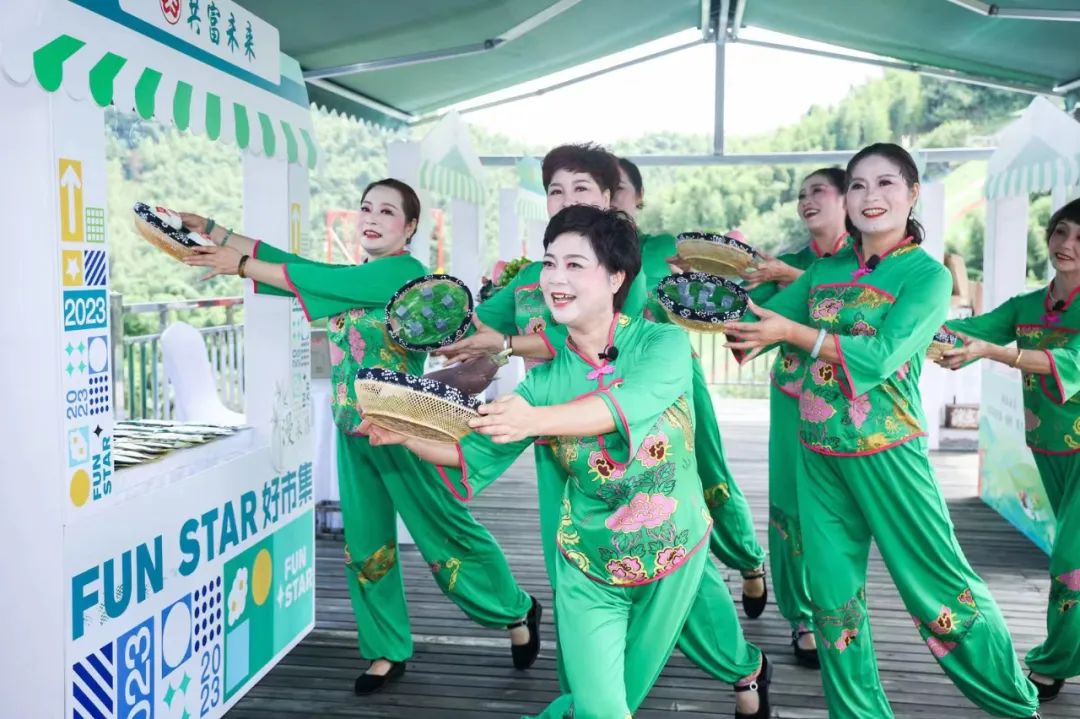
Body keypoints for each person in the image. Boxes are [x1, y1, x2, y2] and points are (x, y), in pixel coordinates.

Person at [364, 205, 771, 719]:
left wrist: (533, 420)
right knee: (602, 711)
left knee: (623, 694)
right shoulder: (542, 383)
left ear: (616, 277)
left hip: (674, 556)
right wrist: (404, 435)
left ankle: (748, 673)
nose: (555, 278)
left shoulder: (662, 344)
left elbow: (627, 403)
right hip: (589, 566)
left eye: (575, 265)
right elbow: (474, 449)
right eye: (550, 263)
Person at [177, 179, 540, 696]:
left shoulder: (403, 274)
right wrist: (213, 231)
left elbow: (303, 275)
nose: (371, 217)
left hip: (403, 430)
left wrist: (238, 264)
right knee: (366, 546)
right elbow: (297, 269)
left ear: (410, 227)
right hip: (355, 428)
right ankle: (386, 650)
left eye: (387, 212)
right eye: (366, 208)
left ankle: (514, 609)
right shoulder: (354, 278)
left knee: (445, 536)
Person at [723, 143, 1040, 719]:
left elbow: (881, 356)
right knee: (834, 605)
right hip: (818, 453)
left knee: (937, 590)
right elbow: (752, 323)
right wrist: (698, 296)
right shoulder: (825, 271)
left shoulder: (926, 276)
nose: (871, 196)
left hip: (888, 451)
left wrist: (795, 335)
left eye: (886, 183)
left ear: (912, 193)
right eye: (859, 185)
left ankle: (1016, 705)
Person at [612, 157, 769, 618]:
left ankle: (747, 556)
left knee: (708, 469)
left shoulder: (664, 248)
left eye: (619, 188)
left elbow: (722, 281)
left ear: (639, 197)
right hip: (613, 384)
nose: (610, 197)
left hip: (674, 376)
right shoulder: (583, 252)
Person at [938, 197, 1080, 703]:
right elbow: (966, 332)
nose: (1066, 244)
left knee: (1071, 563)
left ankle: (1053, 663)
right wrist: (907, 329)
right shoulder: (1027, 306)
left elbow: (1070, 362)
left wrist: (996, 353)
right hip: (1051, 449)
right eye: (1061, 231)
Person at [737, 166, 849, 666]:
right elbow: (748, 318)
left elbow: (859, 311)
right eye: (802, 194)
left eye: (818, 190)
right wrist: (705, 285)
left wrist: (792, 278)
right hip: (792, 396)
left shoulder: (866, 263)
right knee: (790, 505)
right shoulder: (787, 263)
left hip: (852, 403)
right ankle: (802, 616)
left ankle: (840, 612)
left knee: (841, 512)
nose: (807, 200)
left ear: (847, 199)